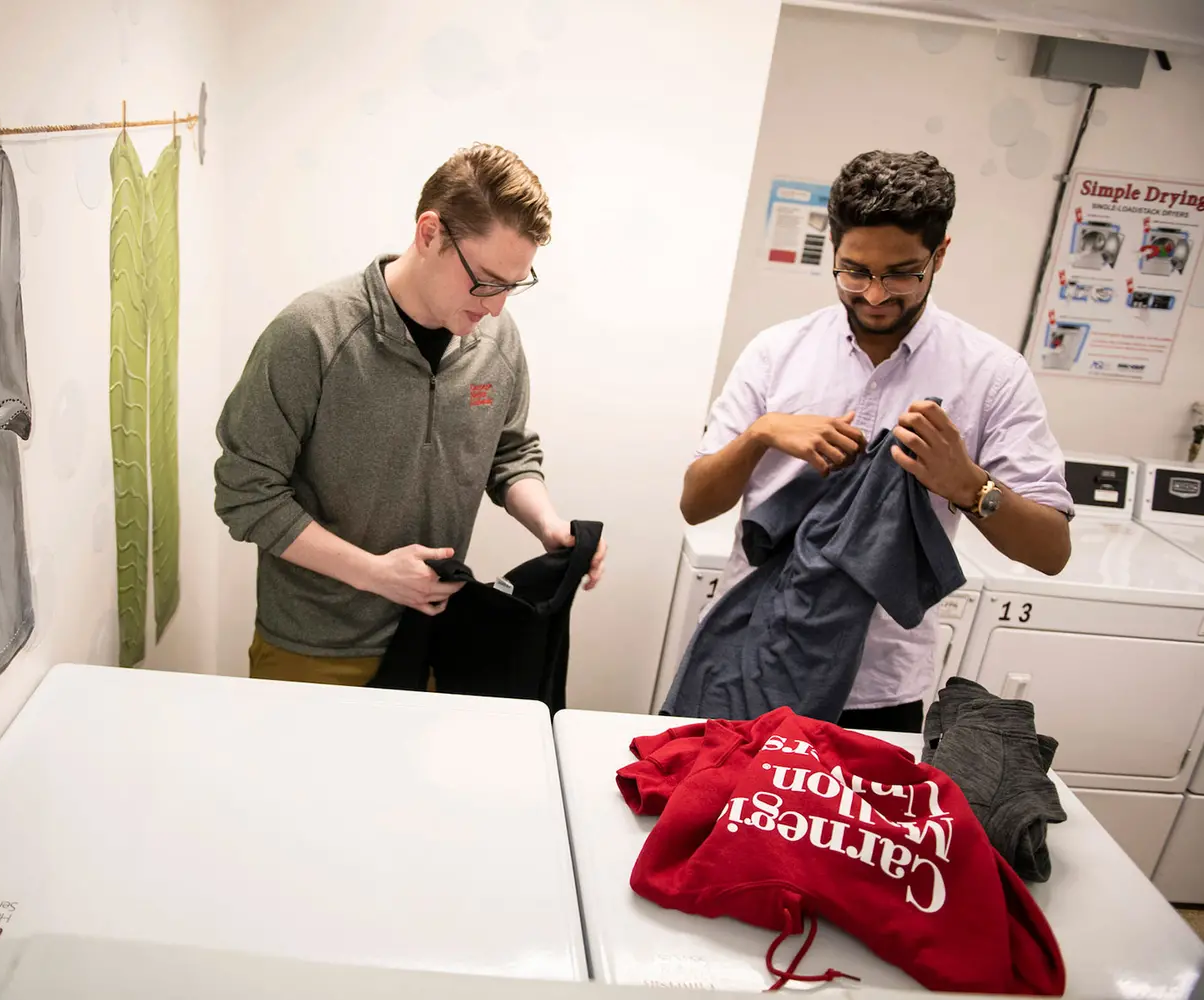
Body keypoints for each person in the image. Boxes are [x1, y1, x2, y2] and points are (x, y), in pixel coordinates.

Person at [679, 149, 1073, 733]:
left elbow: (1051, 551)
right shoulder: (776, 353)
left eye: (902, 274)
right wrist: (762, 435)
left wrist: (966, 483)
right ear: (833, 249)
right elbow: (695, 504)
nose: (875, 295)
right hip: (749, 656)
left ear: (940, 253)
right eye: (855, 271)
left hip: (881, 691)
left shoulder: (991, 374)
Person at [215, 143, 606, 685]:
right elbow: (244, 491)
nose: (496, 306)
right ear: (430, 234)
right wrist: (376, 574)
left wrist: (548, 523)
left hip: (435, 637)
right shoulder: (312, 334)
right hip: (314, 647)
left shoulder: (496, 338)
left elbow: (509, 451)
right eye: (488, 280)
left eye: (513, 286)